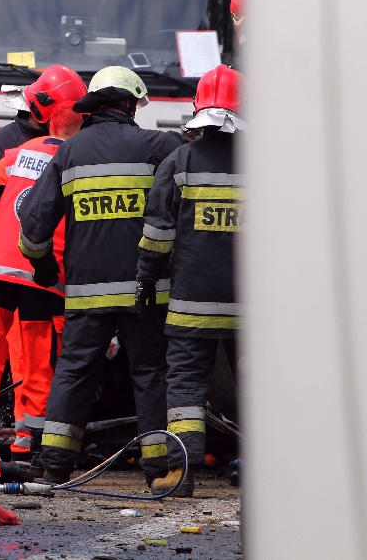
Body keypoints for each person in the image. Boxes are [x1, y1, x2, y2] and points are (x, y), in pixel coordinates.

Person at [18, 66, 187, 484]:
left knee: (74, 370)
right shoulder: (159, 146)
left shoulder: (70, 152)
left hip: (86, 292)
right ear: (130, 104)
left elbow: (33, 226)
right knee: (150, 374)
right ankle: (158, 469)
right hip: (146, 291)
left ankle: (54, 468)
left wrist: (43, 268)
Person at [0, 68, 86, 467]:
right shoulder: (74, 163)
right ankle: (33, 447)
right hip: (43, 277)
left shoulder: (10, 156)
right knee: (38, 360)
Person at [136, 64, 243, 497]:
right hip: (251, 307)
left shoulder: (179, 160)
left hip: (191, 304)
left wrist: (146, 281)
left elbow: (157, 236)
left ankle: (181, 474)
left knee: (185, 387)